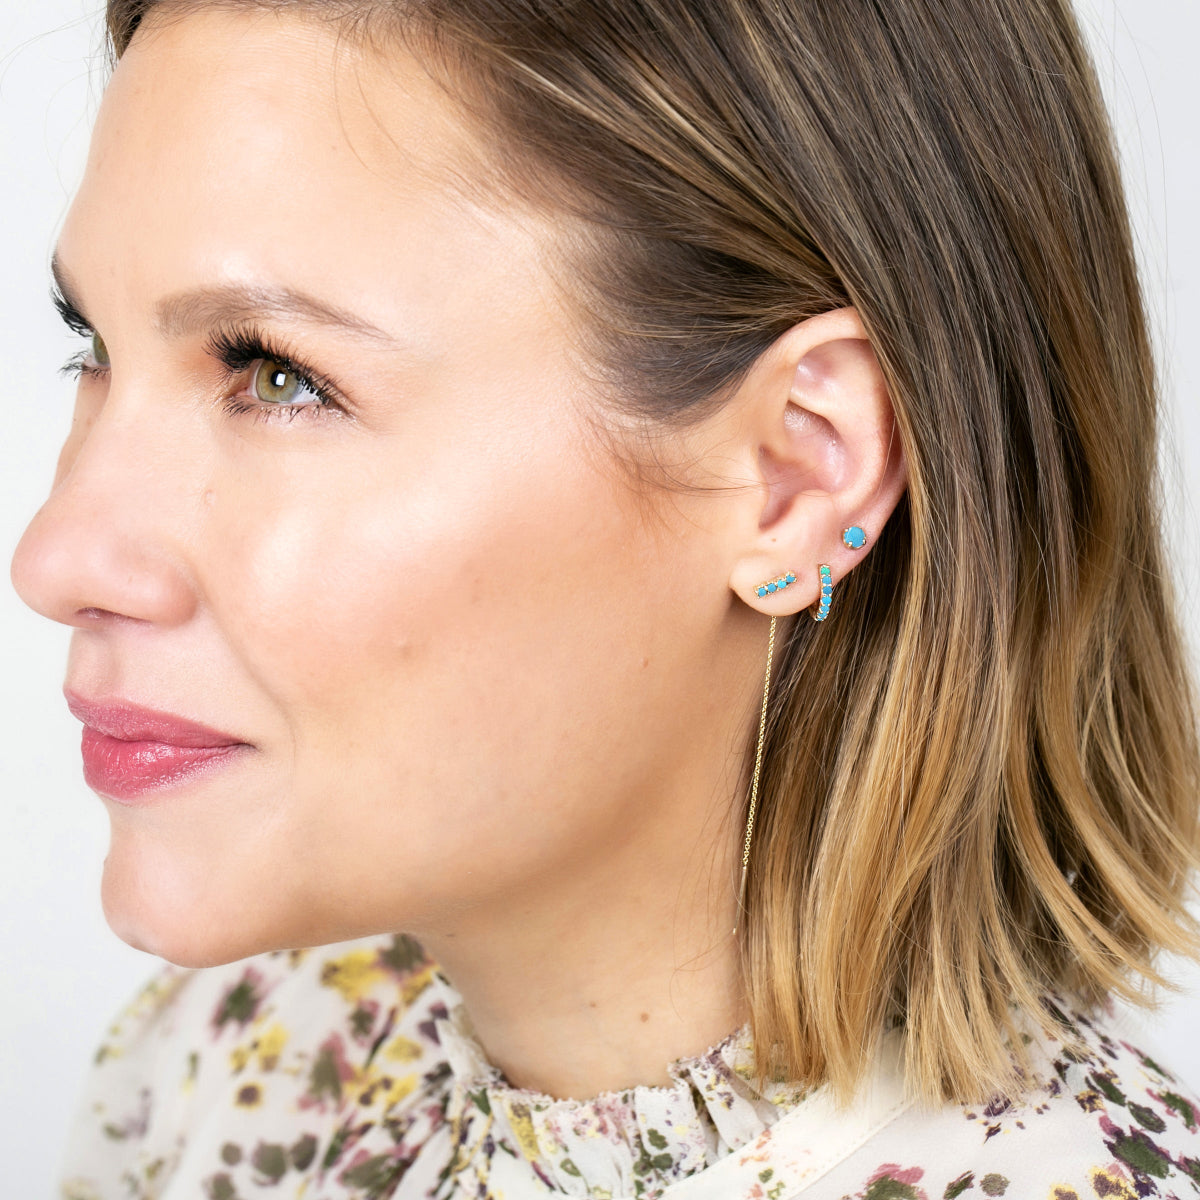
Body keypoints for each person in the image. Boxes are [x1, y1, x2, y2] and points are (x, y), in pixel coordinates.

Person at [12, 0, 1200, 1196]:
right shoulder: (226, 1071)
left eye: (280, 377)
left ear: (797, 475)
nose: (54, 559)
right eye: (93, 347)